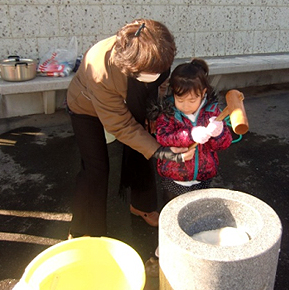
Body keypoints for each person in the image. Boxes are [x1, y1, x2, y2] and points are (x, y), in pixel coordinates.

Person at [66, 19, 194, 238]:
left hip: (132, 88)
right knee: (96, 168)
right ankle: (84, 230)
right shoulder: (101, 68)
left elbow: (160, 82)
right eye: (151, 72)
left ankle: (141, 206)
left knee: (142, 144)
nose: (158, 74)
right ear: (132, 66)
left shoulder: (157, 50)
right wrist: (161, 152)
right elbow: (120, 124)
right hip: (86, 107)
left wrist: (155, 109)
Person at [153, 58, 233, 204]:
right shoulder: (168, 112)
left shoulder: (212, 112)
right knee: (173, 208)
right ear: (174, 93)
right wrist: (189, 135)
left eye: (191, 100)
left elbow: (224, 144)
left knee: (199, 210)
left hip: (204, 175)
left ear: (203, 93)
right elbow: (162, 137)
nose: (186, 106)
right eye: (180, 99)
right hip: (173, 176)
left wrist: (218, 134)